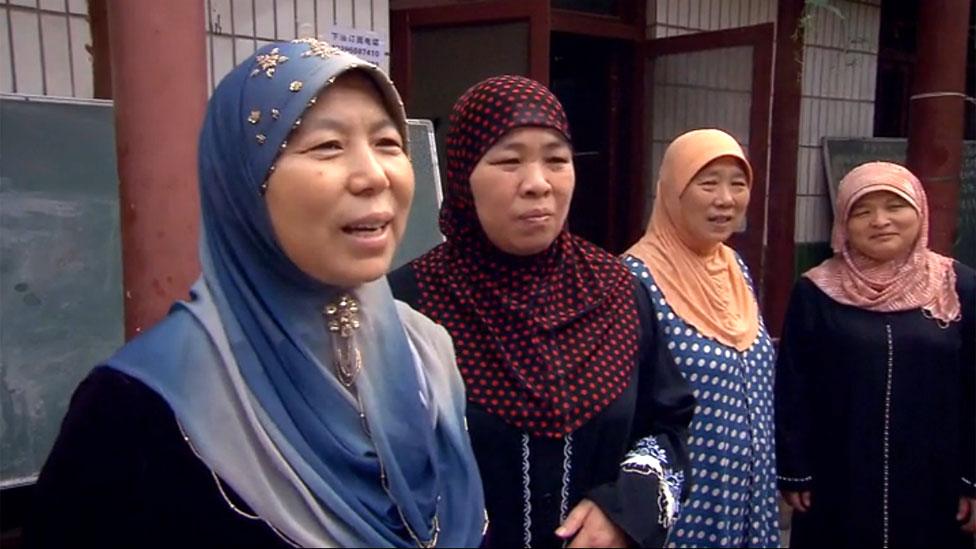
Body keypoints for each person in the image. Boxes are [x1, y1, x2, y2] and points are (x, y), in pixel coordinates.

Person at [29, 39, 486, 548]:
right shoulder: (141, 405)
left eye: (387, 143)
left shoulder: (427, 353)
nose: (374, 176)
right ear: (244, 182)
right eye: (327, 146)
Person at [388, 75, 695, 548]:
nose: (537, 184)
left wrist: (625, 512)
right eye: (509, 161)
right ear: (463, 175)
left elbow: (666, 427)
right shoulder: (410, 304)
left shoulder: (618, 293)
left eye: (557, 160)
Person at [775, 161, 975, 548]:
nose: (880, 221)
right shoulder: (815, 291)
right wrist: (795, 470)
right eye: (862, 211)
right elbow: (793, 389)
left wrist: (973, 478)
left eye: (895, 206)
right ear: (843, 224)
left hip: (936, 484)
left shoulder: (958, 285)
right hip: (839, 480)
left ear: (920, 210)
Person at [622, 129, 780, 547]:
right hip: (684, 501)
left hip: (749, 497)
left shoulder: (734, 267)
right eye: (707, 183)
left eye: (738, 183)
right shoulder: (634, 279)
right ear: (673, 190)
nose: (725, 199)